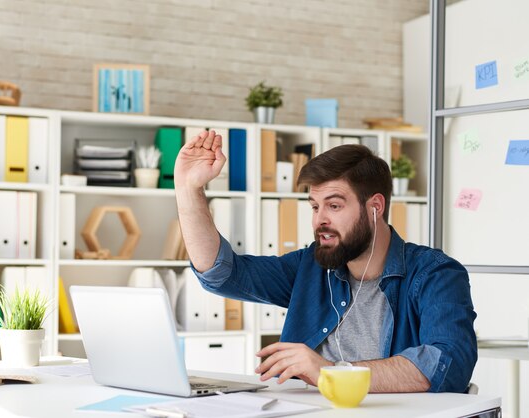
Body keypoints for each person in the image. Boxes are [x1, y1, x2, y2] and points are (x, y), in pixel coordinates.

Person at [174, 129, 477, 393]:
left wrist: (331, 373)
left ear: (375, 207)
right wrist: (189, 189)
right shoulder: (312, 266)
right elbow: (221, 273)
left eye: (334, 205)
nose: (320, 220)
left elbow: (448, 363)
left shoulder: (436, 274)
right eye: (315, 206)